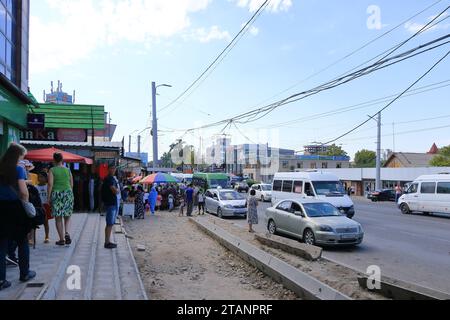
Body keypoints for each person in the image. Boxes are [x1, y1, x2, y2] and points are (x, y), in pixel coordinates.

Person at [0, 143, 36, 290]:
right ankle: (24, 273)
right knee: (22, 240)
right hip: (15, 208)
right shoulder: (18, 169)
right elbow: (23, 191)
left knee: (1, 244)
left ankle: (1, 280)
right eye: (22, 157)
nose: (22, 160)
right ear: (17, 156)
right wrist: (26, 204)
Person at [48, 152, 74, 246]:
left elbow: (50, 184)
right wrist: (70, 193)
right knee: (67, 216)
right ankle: (67, 233)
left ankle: (61, 239)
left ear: (54, 160)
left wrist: (48, 196)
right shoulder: (68, 170)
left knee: (58, 218)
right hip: (68, 193)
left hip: (57, 193)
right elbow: (71, 183)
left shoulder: (52, 170)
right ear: (62, 160)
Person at [101, 165, 119, 249]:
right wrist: (117, 190)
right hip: (110, 203)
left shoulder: (111, 178)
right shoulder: (109, 179)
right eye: (112, 168)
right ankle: (107, 242)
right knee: (109, 223)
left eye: (114, 168)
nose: (113, 169)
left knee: (110, 223)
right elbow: (114, 190)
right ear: (108, 169)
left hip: (112, 203)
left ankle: (108, 241)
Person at [36, 172, 51, 243]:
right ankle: (32, 237)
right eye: (39, 177)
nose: (40, 178)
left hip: (45, 205)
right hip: (38, 206)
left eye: (42, 177)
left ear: (46, 178)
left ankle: (47, 236)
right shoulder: (35, 187)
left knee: (46, 222)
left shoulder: (48, 186)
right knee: (35, 222)